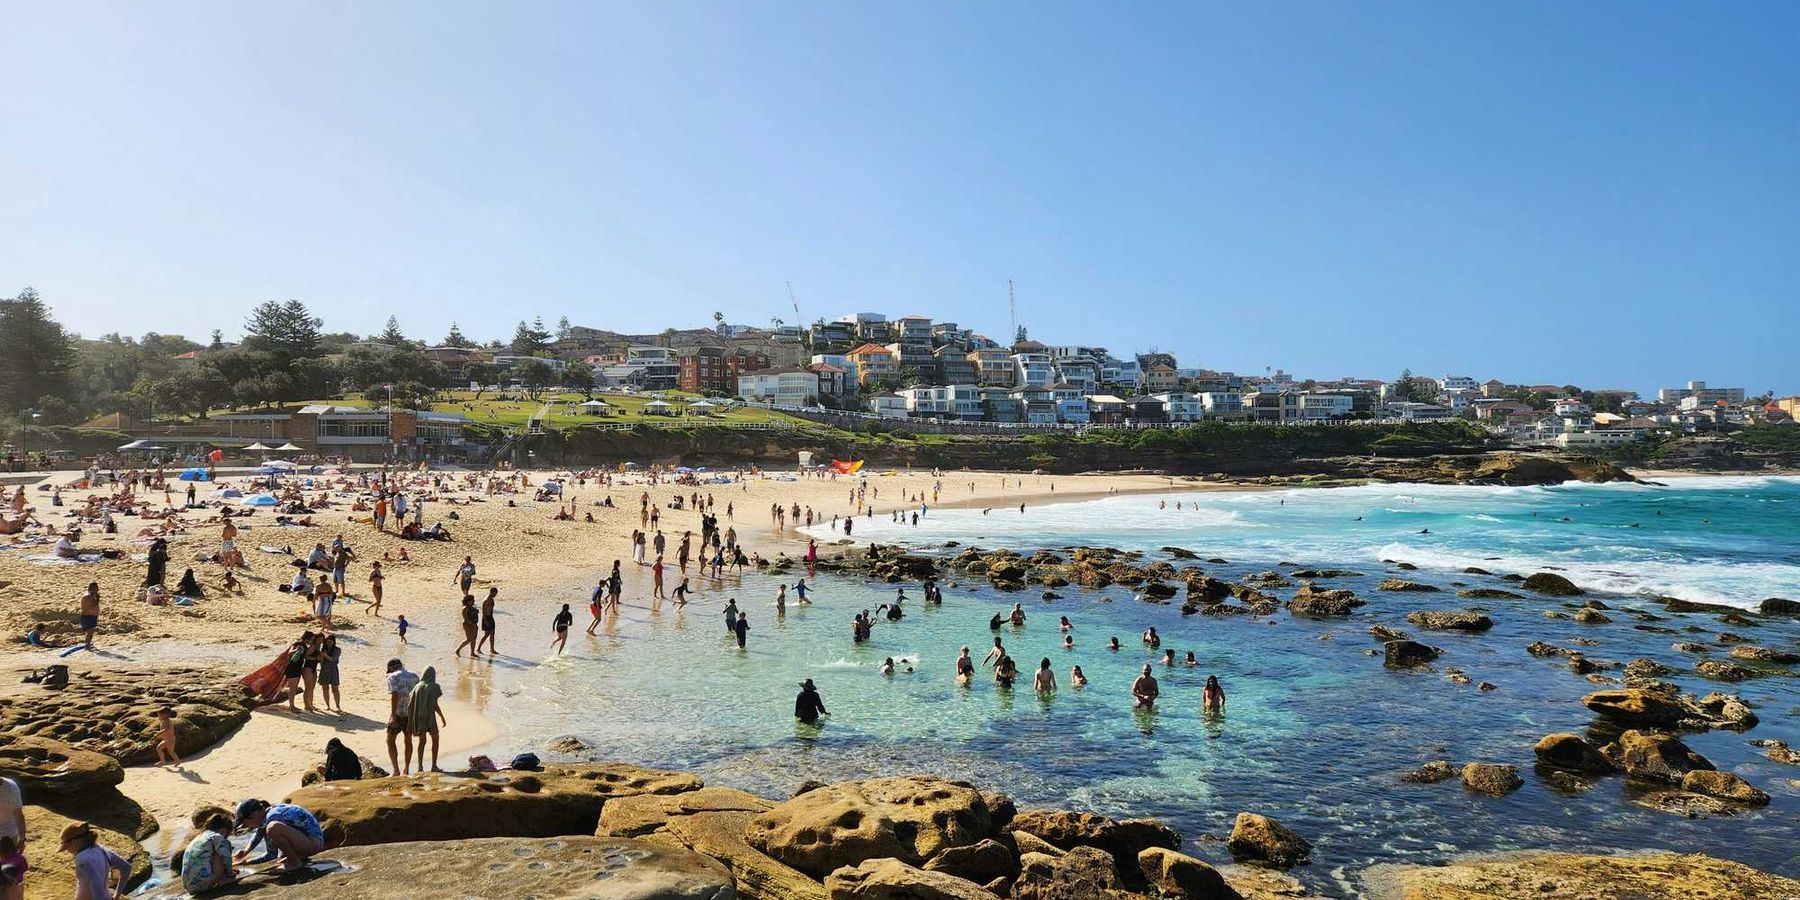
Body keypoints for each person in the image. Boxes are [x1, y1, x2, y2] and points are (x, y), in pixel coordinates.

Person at [232, 799, 325, 872]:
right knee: (272, 828)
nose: (246, 826)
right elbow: (259, 834)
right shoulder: (270, 812)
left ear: (253, 814)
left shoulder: (272, 818)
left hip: (313, 844)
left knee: (272, 828)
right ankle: (294, 857)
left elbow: (271, 855)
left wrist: (246, 862)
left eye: (245, 823)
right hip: (312, 840)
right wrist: (245, 851)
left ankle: (294, 862)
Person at [60, 822, 131, 900]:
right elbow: (126, 867)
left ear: (74, 842)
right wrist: (117, 895)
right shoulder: (102, 850)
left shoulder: (82, 858)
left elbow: (96, 884)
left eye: (67, 847)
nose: (67, 851)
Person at [179, 812, 237, 894]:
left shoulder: (199, 837)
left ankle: (213, 879)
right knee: (221, 851)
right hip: (203, 883)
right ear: (225, 829)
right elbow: (225, 857)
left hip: (189, 886)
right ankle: (224, 880)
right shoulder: (217, 837)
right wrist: (230, 873)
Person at [408, 666, 446, 772]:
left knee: (422, 741)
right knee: (435, 739)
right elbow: (435, 705)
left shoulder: (417, 687)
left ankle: (420, 766)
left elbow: (410, 705)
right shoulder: (435, 686)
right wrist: (442, 717)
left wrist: (410, 722)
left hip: (418, 716)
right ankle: (434, 765)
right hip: (430, 717)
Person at [384, 659, 419, 775]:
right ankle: (407, 769)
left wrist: (393, 716)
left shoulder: (392, 677)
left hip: (398, 713)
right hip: (410, 713)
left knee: (390, 740)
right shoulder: (414, 676)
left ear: (390, 668)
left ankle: (396, 770)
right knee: (408, 740)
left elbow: (395, 695)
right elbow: (416, 696)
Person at [0, 775, 23, 900]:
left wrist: (22, 838)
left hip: (9, 836)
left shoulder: (11, 787)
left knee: (11, 876)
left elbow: (19, 814)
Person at [318, 636, 343, 713]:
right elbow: (320, 661)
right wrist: (322, 656)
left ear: (334, 642)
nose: (329, 644)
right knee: (325, 689)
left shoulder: (337, 650)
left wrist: (325, 655)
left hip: (333, 670)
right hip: (324, 669)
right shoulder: (323, 649)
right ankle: (327, 705)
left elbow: (333, 659)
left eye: (331, 642)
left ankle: (338, 706)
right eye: (328, 642)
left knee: (335, 689)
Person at [476, 587, 499, 656]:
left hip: (490, 617)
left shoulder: (491, 599)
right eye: (495, 594)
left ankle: (492, 649)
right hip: (486, 617)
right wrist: (485, 620)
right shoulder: (486, 600)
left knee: (492, 634)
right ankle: (478, 648)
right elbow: (483, 611)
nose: (495, 595)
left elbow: (491, 610)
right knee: (487, 634)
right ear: (492, 592)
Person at [77, 582, 100, 649]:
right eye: (96, 588)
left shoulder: (92, 595)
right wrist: (97, 598)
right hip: (87, 617)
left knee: (91, 632)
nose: (97, 590)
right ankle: (87, 645)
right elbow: (93, 605)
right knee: (90, 631)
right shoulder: (88, 596)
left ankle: (88, 644)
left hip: (91, 616)